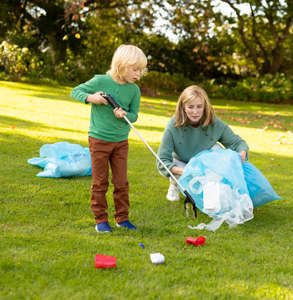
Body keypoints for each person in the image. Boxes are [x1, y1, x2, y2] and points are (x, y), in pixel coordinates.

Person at [71, 44, 147, 232]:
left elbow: (135, 115)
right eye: (135, 69)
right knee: (100, 181)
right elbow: (75, 91)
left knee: (121, 182)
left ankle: (122, 218)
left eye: (141, 70)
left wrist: (125, 115)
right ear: (121, 65)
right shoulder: (100, 81)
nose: (138, 74)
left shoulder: (134, 90)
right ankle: (101, 221)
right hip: (99, 140)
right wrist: (92, 98)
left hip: (121, 142)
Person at [157, 85, 249, 201]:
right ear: (183, 107)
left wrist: (242, 152)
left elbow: (237, 142)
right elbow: (162, 160)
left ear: (205, 107)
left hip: (204, 165)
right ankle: (174, 183)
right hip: (182, 163)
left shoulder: (214, 123)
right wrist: (186, 171)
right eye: (190, 107)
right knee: (188, 185)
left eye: (199, 107)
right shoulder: (173, 125)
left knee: (216, 148)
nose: (195, 112)